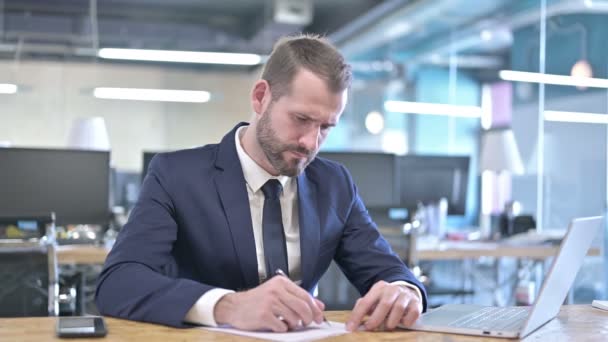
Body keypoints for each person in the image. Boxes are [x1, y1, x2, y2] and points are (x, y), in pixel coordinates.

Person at [96, 34, 427, 332]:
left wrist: (404, 292)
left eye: (326, 127)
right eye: (301, 119)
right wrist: (228, 306)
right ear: (260, 98)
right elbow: (118, 283)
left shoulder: (334, 184)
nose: (312, 142)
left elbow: (389, 271)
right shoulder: (176, 175)